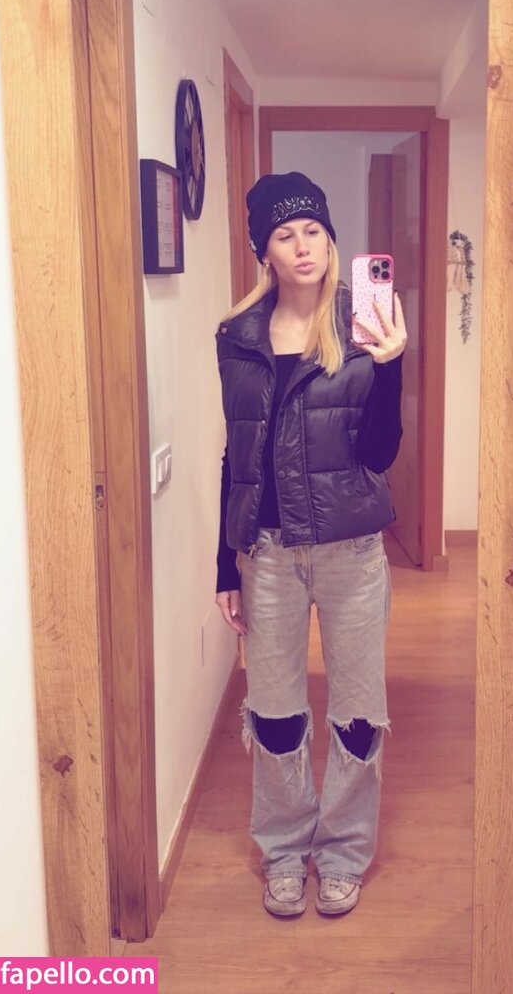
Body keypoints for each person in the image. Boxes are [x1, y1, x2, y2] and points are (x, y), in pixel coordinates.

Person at [214, 172, 406, 919]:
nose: (303, 246)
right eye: (285, 234)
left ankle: (345, 852)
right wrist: (225, 564)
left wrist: (389, 366)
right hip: (267, 554)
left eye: (314, 231)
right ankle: (285, 851)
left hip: (351, 551)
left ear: (332, 240)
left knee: (357, 712)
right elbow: (236, 455)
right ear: (263, 250)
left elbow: (381, 452)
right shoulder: (237, 338)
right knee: (275, 711)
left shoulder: (362, 327)